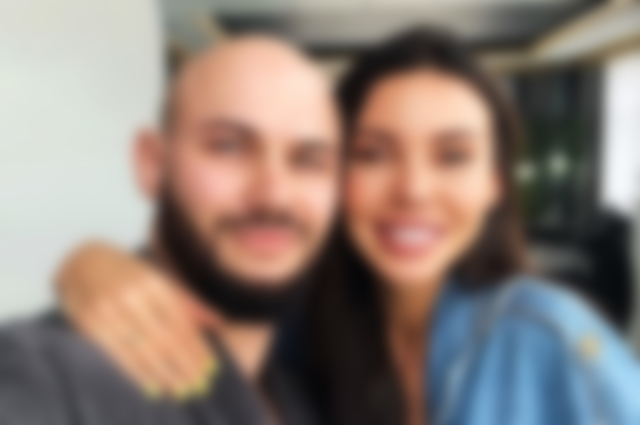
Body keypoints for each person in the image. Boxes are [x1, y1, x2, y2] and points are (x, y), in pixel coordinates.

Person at [55, 29, 640, 425]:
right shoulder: (299, 328)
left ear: (495, 185)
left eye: (452, 156)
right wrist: (91, 265)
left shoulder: (551, 338)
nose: (413, 189)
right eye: (373, 153)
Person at [0, 35, 340, 425]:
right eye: (228, 146)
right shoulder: (46, 376)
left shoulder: (308, 392)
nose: (274, 195)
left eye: (310, 160)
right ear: (152, 164)